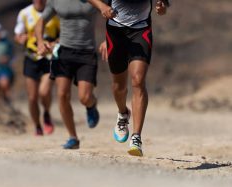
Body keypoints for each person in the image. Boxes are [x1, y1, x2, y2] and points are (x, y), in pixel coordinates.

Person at [88, 0, 169, 156]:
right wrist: (102, 6)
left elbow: (163, 6)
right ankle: (123, 113)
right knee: (119, 86)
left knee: (138, 80)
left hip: (141, 30)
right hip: (115, 32)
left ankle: (136, 136)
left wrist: (162, 8)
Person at [35, 0, 100, 149]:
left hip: (87, 53)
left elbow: (110, 14)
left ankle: (92, 105)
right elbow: (41, 21)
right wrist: (40, 41)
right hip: (64, 52)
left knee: (85, 97)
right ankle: (73, 137)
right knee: (62, 95)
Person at [14, 0, 60, 136]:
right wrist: (20, 39)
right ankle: (37, 125)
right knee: (32, 97)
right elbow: (17, 34)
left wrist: (53, 44)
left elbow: (63, 34)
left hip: (49, 57)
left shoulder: (54, 12)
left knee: (44, 92)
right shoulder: (24, 13)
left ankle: (46, 113)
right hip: (31, 57)